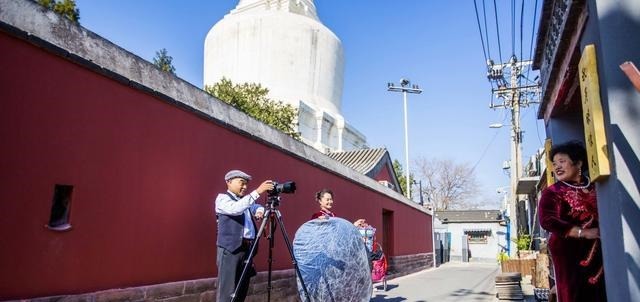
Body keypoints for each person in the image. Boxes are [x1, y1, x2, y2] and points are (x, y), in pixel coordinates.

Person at [538, 141, 607, 302]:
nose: (557, 167)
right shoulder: (553, 192)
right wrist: (582, 232)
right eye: (554, 164)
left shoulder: (596, 186)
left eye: (562, 162)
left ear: (578, 163)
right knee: (574, 293)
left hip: (597, 247)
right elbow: (547, 220)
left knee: (599, 291)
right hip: (568, 250)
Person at [215, 169, 274, 302]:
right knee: (227, 291)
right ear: (228, 182)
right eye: (241, 182)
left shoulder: (245, 201)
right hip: (230, 250)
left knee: (241, 290)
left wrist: (259, 210)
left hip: (247, 249)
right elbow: (236, 208)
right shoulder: (222, 199)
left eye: (246, 184)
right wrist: (258, 191)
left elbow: (256, 206)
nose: (245, 187)